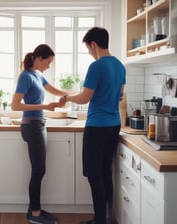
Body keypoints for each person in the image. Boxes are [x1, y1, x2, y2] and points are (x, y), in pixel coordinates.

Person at [59, 27, 126, 224]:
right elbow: (120, 95)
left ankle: (99, 220)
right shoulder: (120, 66)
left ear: (94, 44)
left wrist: (66, 98)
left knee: (93, 175)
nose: (89, 51)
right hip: (114, 125)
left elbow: (84, 97)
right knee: (105, 173)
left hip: (97, 127)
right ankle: (104, 217)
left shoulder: (96, 66)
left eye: (88, 47)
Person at [11, 44, 70, 224]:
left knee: (39, 169)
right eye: (48, 62)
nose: (49, 66)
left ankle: (34, 208)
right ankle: (35, 214)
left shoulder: (38, 75)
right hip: (32, 126)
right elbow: (15, 105)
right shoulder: (25, 76)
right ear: (39, 58)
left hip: (39, 124)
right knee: (39, 169)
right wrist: (45, 106)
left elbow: (53, 90)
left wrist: (73, 95)